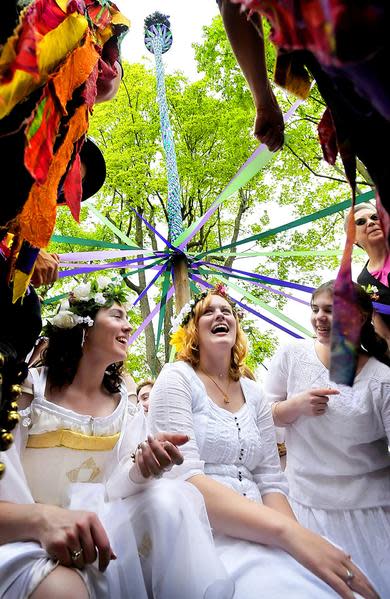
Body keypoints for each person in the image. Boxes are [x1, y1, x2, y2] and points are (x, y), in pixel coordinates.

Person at [0, 277, 234, 599]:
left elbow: (116, 484)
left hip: (100, 526)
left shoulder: (124, 400)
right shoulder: (31, 389)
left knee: (168, 498)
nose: (128, 327)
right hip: (25, 532)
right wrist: (38, 521)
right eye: (117, 316)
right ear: (83, 325)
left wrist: (143, 465)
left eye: (128, 319)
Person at [149, 284, 377, 599]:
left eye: (226, 311)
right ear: (192, 331)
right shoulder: (176, 378)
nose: (220, 314)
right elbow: (184, 478)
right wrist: (290, 536)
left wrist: (300, 545)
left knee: (326, 582)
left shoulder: (254, 393)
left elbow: (270, 479)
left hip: (267, 530)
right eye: (209, 311)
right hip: (202, 533)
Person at [265, 280, 390, 597]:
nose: (319, 318)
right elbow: (256, 418)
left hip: (372, 514)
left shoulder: (382, 379)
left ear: (359, 317)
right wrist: (291, 408)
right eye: (315, 309)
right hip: (304, 508)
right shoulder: (293, 356)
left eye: (331, 311)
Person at [218, 1, 390, 221]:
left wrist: (264, 102)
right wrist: (264, 102)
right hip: (350, 88)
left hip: (351, 84)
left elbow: (232, 6)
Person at [350, 203, 390, 345]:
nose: (371, 222)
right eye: (361, 222)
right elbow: (385, 335)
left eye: (375, 217)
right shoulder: (363, 282)